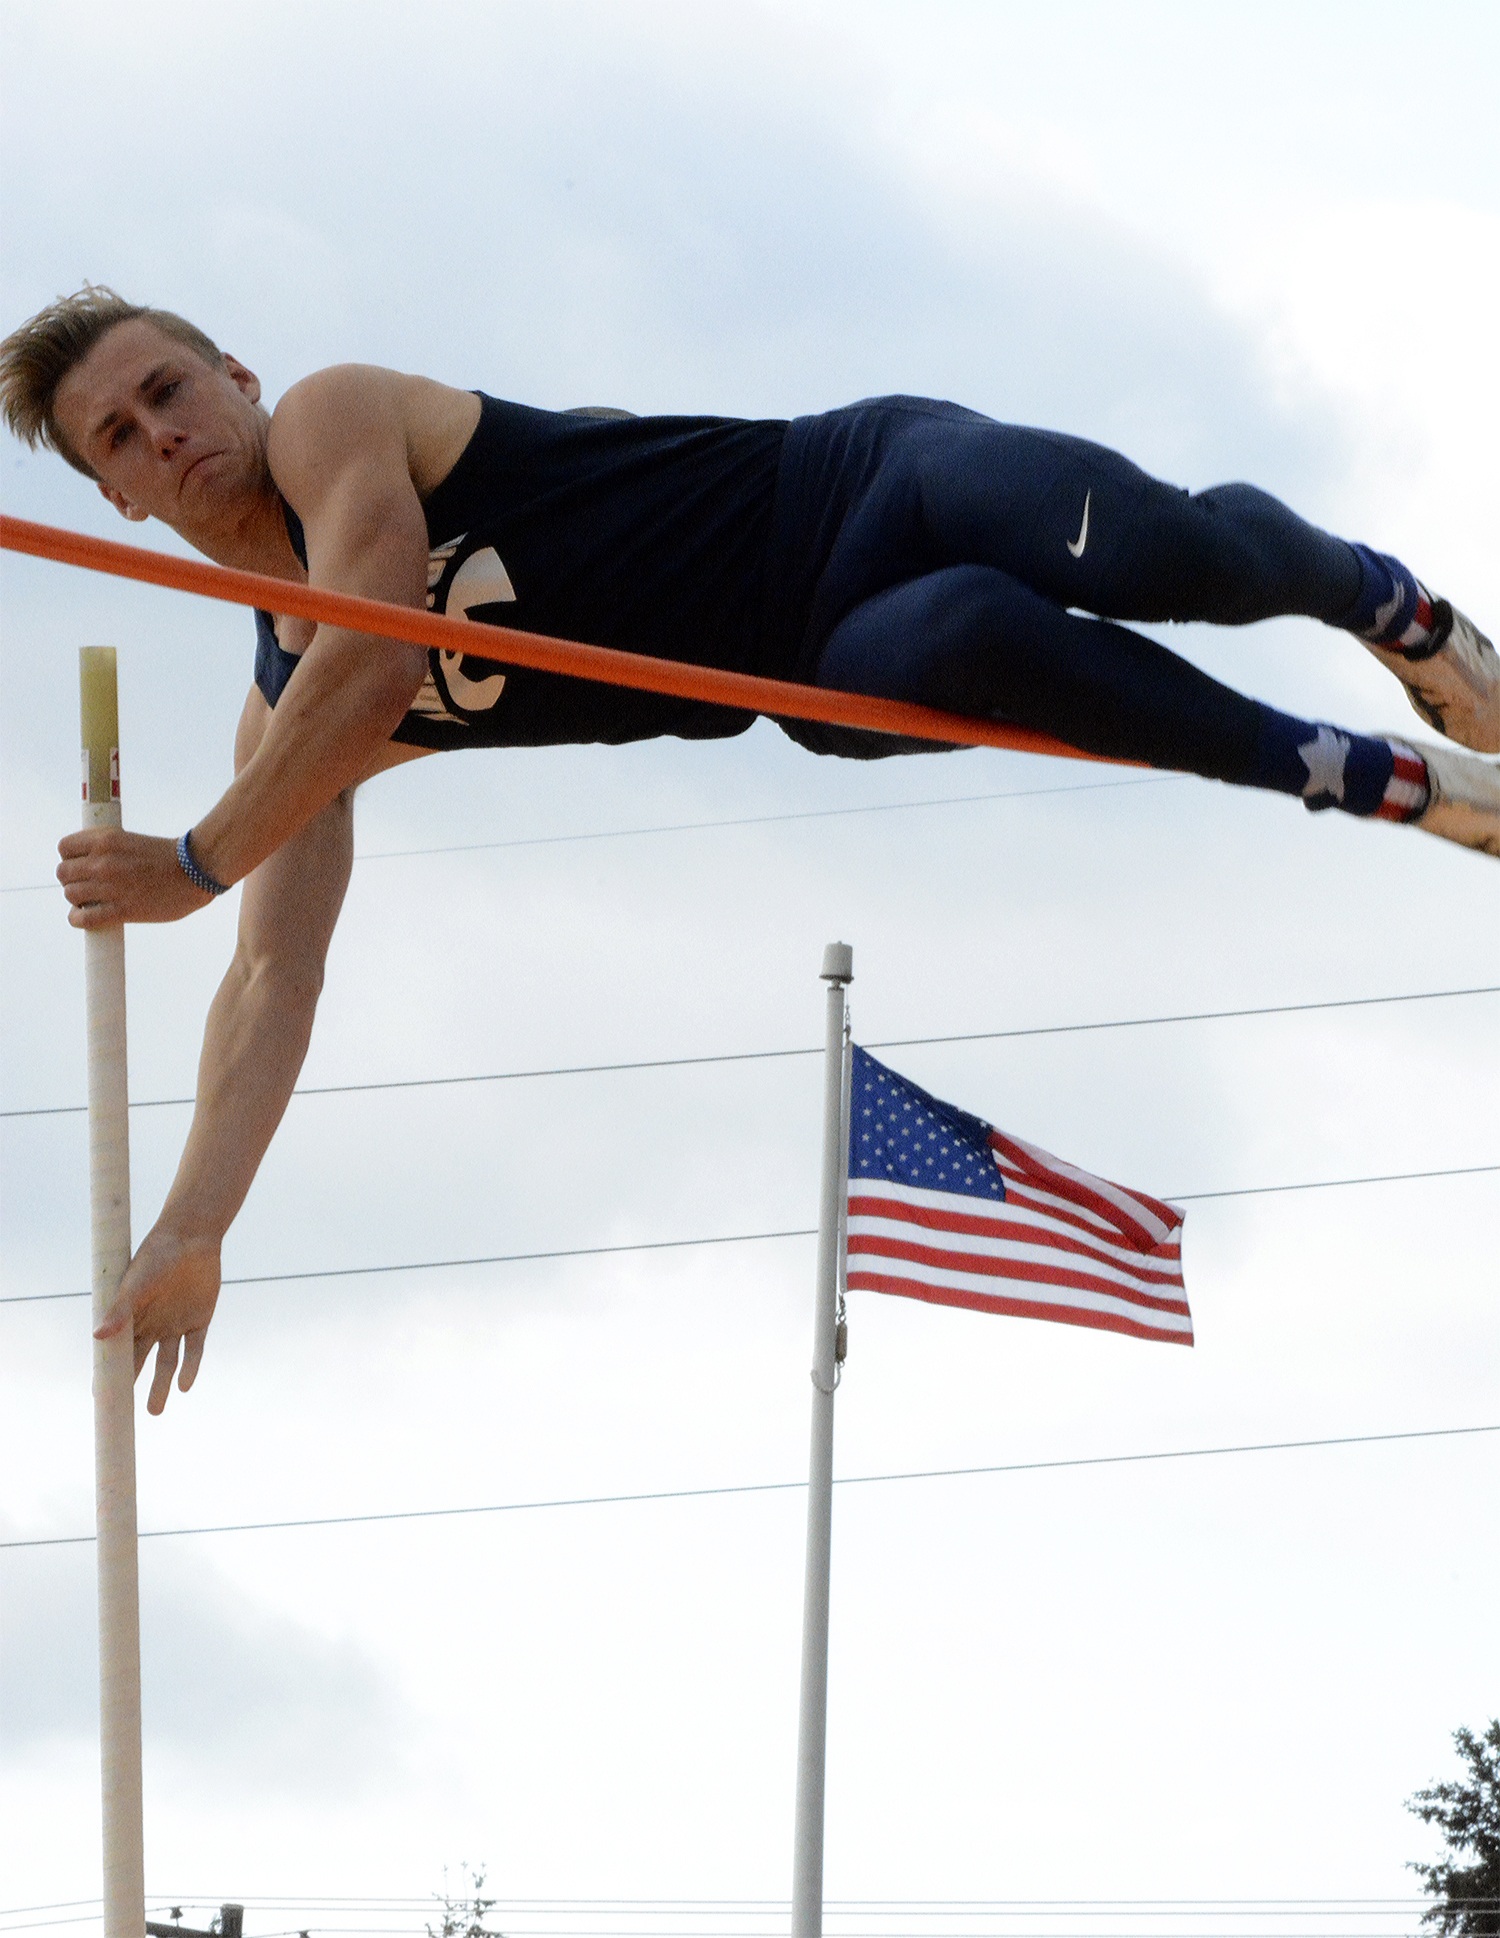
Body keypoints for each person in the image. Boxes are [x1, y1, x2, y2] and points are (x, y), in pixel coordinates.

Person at [3, 285, 1497, 1413]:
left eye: (168, 388)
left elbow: (376, 651)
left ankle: (1396, 612)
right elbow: (274, 982)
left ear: (234, 375)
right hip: (822, 662)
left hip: (858, 483)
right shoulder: (288, 735)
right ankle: (1376, 781)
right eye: (120, 440)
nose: (164, 432)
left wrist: (190, 861)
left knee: (1167, 552)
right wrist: (193, 1226)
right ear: (117, 499)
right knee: (982, 639)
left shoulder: (334, 424)